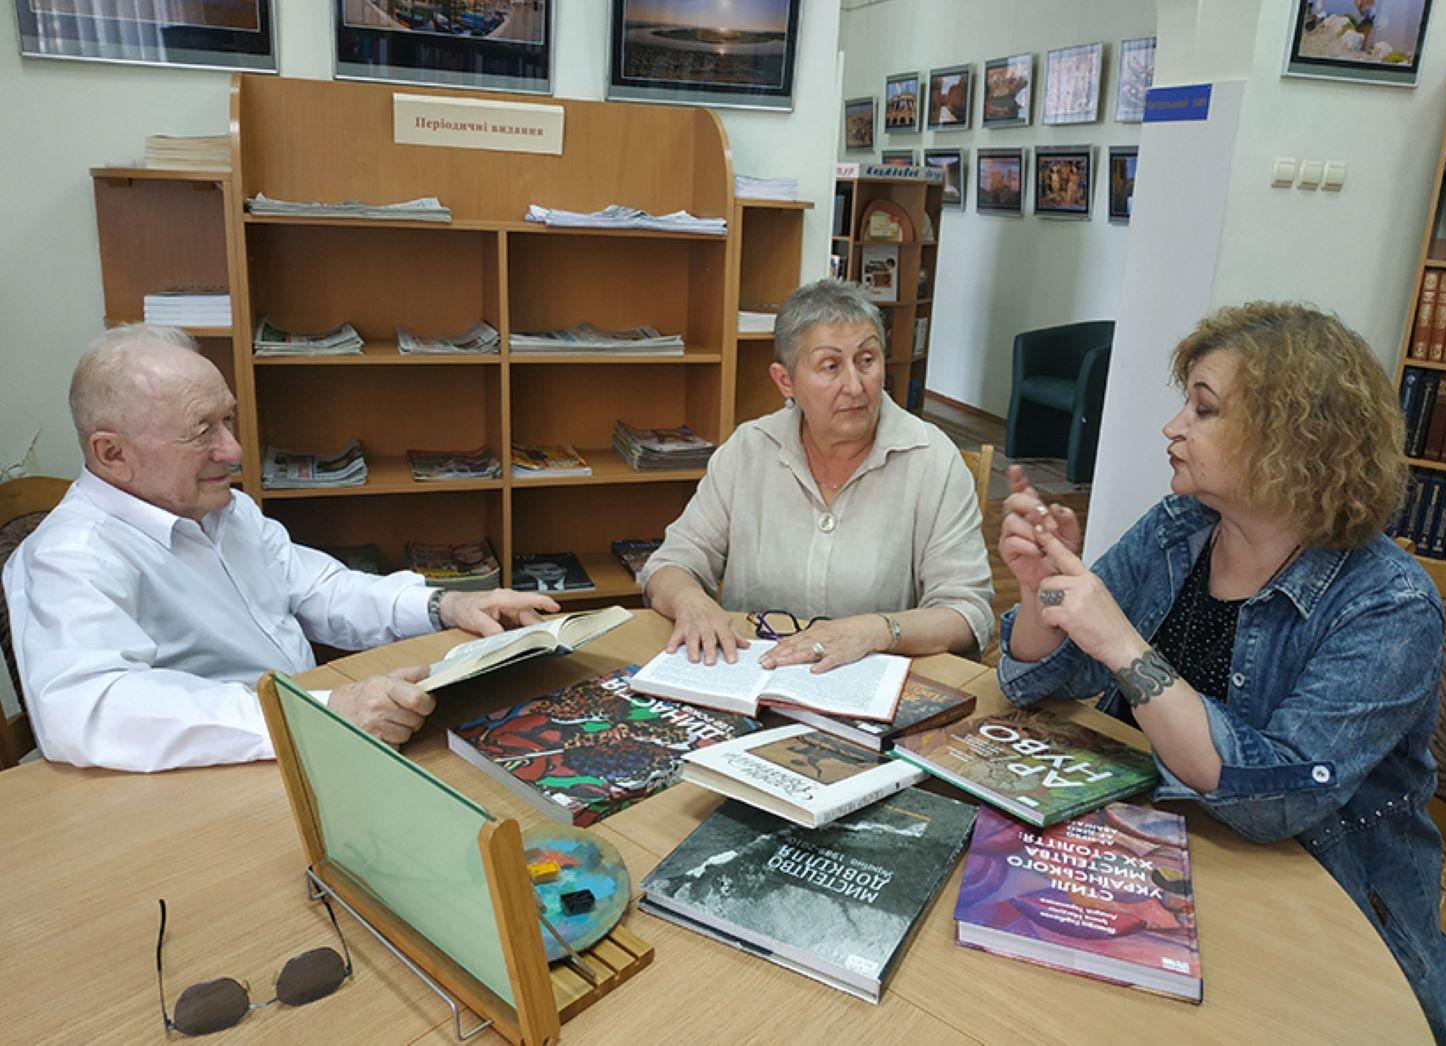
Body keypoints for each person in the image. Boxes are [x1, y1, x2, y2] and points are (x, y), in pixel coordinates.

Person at [996, 302, 1446, 1045]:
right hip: (1140, 856)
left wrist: (1121, 643)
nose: (1172, 427)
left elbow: (1271, 803)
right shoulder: (1178, 528)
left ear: (1292, 440)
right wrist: (1038, 592)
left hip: (1316, 911)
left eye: (1204, 408)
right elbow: (1040, 683)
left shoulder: (1388, 603)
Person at [5, 325, 558, 772]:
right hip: (206, 778)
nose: (233, 450)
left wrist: (446, 605)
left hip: (301, 739)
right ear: (112, 454)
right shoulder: (71, 556)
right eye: (202, 430)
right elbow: (90, 710)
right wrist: (321, 713)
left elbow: (321, 589)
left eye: (227, 418)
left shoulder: (222, 508)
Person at [641, 279, 993, 672]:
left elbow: (967, 612)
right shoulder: (749, 449)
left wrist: (878, 630)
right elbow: (671, 564)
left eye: (867, 360)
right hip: (755, 677)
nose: (855, 386)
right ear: (785, 381)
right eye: (830, 366)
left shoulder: (933, 459)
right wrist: (692, 602)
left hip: (870, 684)